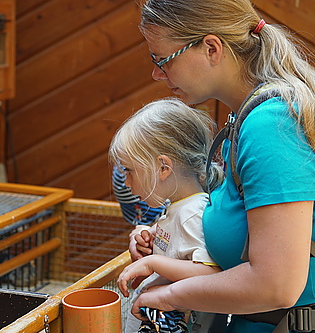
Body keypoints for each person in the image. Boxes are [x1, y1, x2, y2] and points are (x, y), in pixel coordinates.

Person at [117, 1, 315, 332]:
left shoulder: (271, 126)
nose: (156, 73)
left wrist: (170, 295)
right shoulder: (244, 116)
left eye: (161, 60)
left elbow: (276, 285)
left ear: (211, 48)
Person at [110, 98, 223, 333]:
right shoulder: (178, 207)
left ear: (163, 168)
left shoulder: (192, 213)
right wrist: (148, 233)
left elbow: (208, 272)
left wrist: (153, 263)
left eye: (130, 171)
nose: (127, 182)